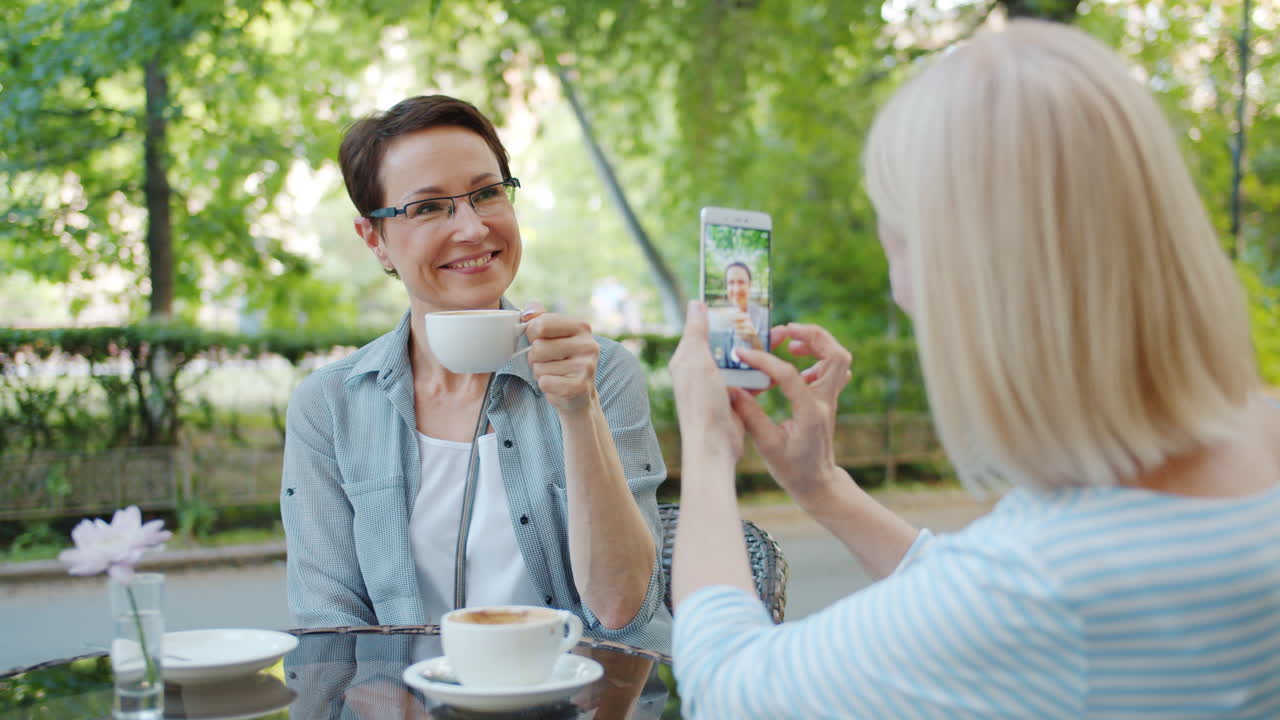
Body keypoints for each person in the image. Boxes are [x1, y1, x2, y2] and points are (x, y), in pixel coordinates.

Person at [668, 19, 1280, 718]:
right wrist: (822, 486)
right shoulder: (1260, 437)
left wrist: (709, 445)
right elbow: (977, 606)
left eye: (897, 242)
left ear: (974, 279)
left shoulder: (1050, 582)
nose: (899, 287)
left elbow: (727, 689)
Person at [281, 95, 672, 653]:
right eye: (429, 207)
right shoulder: (330, 406)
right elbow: (330, 638)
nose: (472, 227)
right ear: (375, 240)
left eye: (487, 193)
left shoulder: (599, 372)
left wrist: (579, 412)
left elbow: (621, 612)